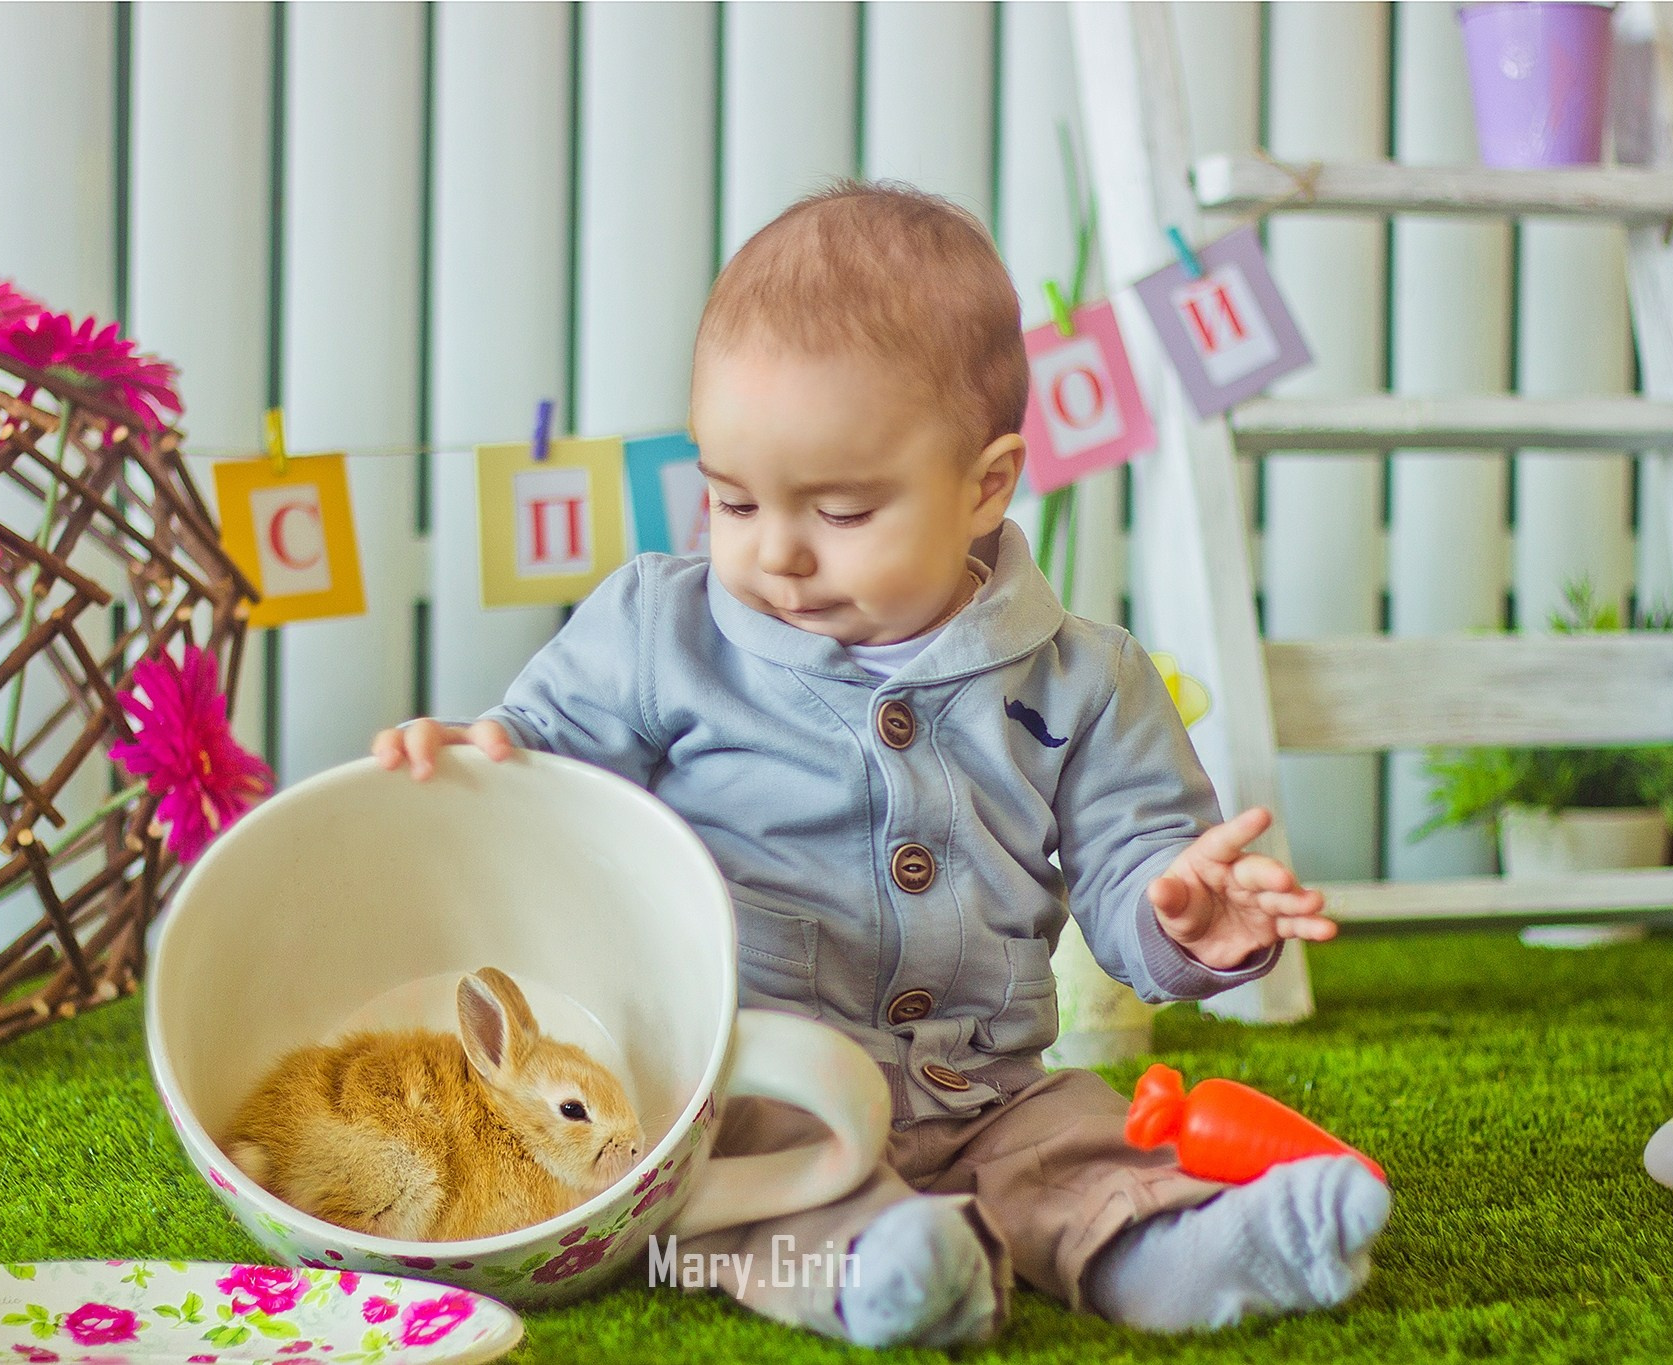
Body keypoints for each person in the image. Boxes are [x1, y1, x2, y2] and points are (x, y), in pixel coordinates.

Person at [373, 180, 1389, 1347]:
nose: (777, 552)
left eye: (843, 511)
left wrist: (1185, 915)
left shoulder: (1085, 678)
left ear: (985, 485)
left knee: (1085, 1147)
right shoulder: (662, 630)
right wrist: (477, 753)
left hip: (988, 1089)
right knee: (720, 1203)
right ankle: (888, 1272)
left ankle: (1175, 1252)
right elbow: (540, 763)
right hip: (753, 1088)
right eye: (731, 500)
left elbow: (1134, 872)